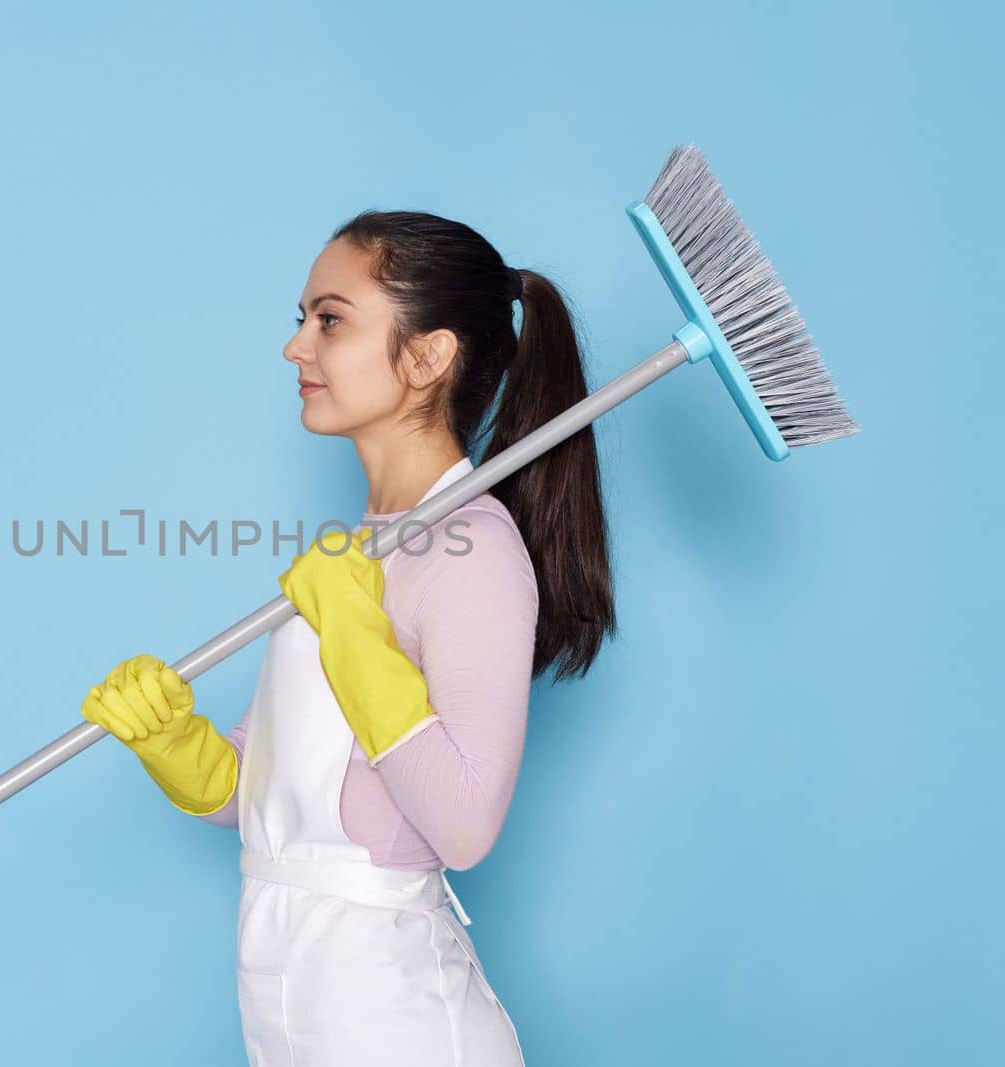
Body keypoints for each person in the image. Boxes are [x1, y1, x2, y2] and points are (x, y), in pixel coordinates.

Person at [80, 210, 616, 1065]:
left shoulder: (472, 550)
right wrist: (178, 746)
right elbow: (270, 802)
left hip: (401, 1025)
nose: (297, 348)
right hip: (293, 1012)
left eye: (329, 320)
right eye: (300, 320)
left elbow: (466, 827)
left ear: (428, 356)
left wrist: (356, 633)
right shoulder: (358, 551)